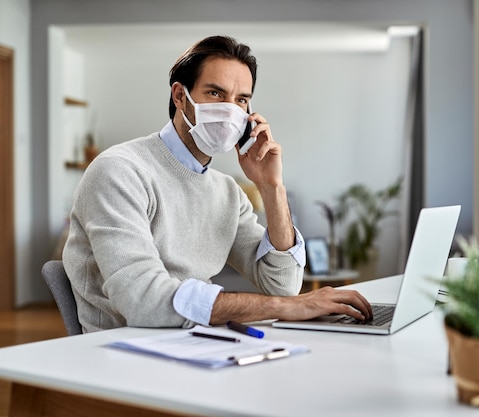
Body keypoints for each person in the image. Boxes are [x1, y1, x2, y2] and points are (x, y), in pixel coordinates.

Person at [62, 35, 372, 333]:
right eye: (215, 93)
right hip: (123, 349)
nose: (230, 109)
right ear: (180, 96)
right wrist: (282, 308)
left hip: (199, 340)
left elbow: (283, 285)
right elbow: (143, 301)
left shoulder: (227, 193)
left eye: (241, 100)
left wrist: (271, 187)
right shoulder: (119, 170)